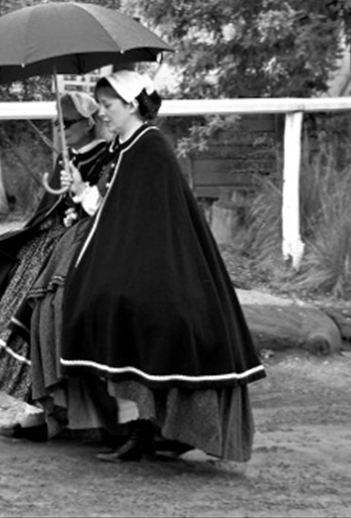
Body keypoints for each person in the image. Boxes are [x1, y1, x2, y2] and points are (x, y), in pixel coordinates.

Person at [59, 70, 266, 463]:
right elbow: (110, 207)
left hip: (165, 267)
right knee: (100, 301)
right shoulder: (123, 146)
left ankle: (148, 430)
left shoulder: (150, 146)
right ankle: (137, 427)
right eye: (100, 105)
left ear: (132, 104)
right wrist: (81, 190)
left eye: (108, 105)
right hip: (135, 260)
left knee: (127, 308)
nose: (102, 113)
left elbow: (151, 218)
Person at [0, 90, 113, 441]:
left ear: (89, 123)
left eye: (67, 124)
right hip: (58, 240)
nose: (60, 131)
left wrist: (79, 194)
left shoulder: (107, 157)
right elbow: (48, 211)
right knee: (12, 267)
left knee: (36, 298)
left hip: (85, 246)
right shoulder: (68, 159)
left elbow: (104, 210)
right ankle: (37, 407)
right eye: (57, 123)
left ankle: (52, 412)